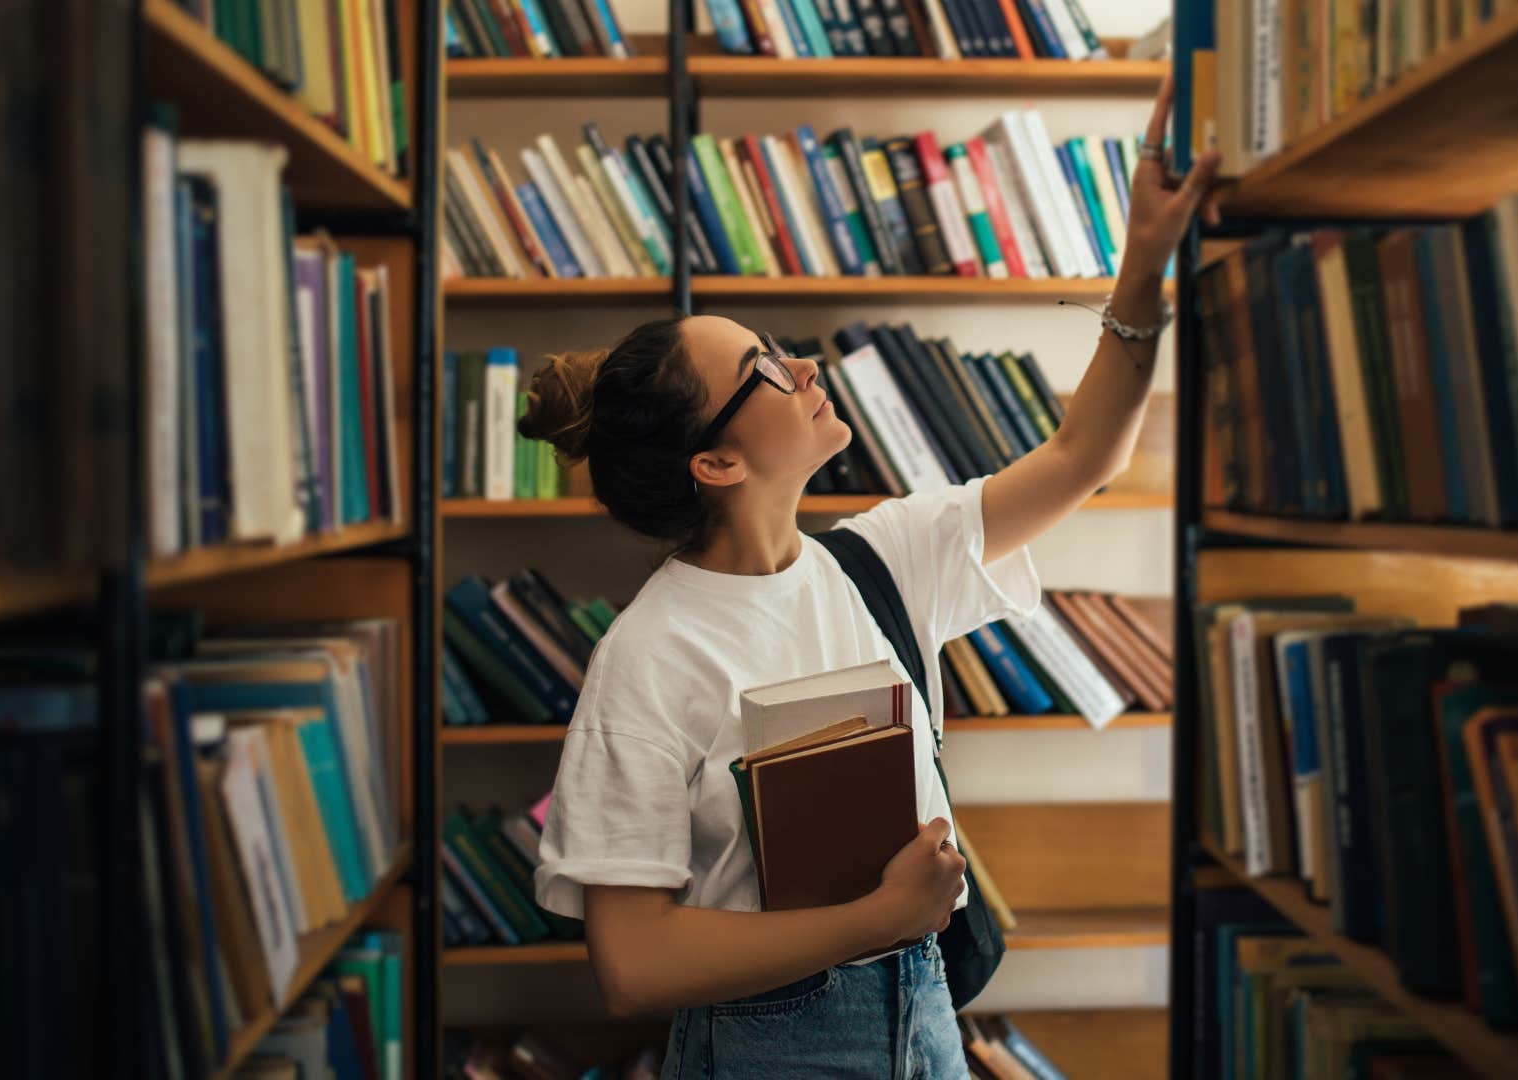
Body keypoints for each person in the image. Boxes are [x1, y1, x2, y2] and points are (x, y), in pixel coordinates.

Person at [522, 76, 1221, 1079]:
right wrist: (875, 918)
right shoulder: (645, 657)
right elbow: (631, 963)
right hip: (766, 1050)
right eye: (765, 369)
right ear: (715, 465)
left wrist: (1145, 260)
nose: (804, 365)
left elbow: (1083, 459)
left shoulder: (882, 556)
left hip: (925, 1016)